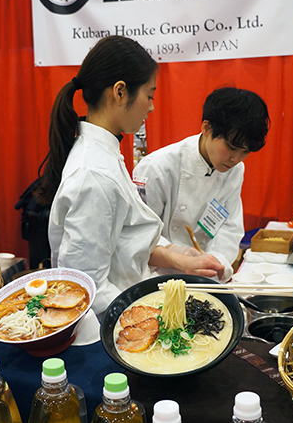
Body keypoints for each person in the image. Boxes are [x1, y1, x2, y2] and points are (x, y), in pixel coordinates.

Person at [36, 36, 224, 315]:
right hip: (111, 324)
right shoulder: (95, 174)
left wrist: (179, 258)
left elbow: (124, 240)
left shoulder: (105, 154)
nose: (151, 107)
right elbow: (86, 288)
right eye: (149, 95)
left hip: (128, 304)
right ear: (120, 92)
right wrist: (150, 317)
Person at [133, 86, 270, 282]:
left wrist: (216, 262)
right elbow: (140, 234)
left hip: (207, 276)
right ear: (207, 128)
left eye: (245, 152)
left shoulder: (235, 169)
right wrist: (179, 255)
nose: (236, 159)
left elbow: (229, 226)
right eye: (231, 147)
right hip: (159, 277)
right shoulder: (157, 167)